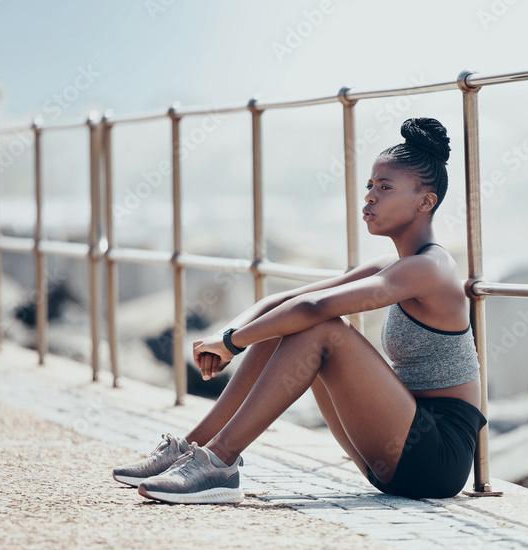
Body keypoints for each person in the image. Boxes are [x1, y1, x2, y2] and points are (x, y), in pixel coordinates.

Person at [112, 117, 486, 504]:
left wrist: (232, 343)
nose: (370, 197)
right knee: (291, 323)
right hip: (397, 448)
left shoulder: (429, 269)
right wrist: (224, 337)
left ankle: (219, 463)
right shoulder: (393, 266)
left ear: (426, 201)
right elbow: (284, 302)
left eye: (385, 187)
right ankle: (194, 447)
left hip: (437, 456)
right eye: (370, 185)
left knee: (321, 328)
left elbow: (315, 308)